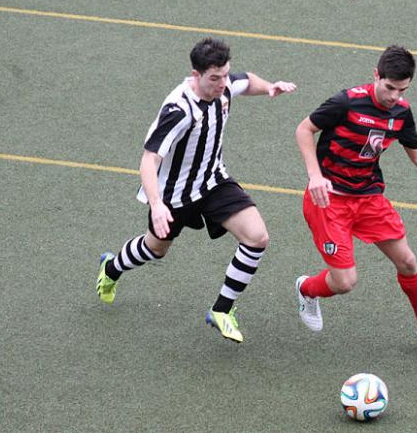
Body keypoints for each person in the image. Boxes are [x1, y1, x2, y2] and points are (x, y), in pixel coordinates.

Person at [96, 38, 296, 343]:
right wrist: (157, 204)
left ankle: (221, 310)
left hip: (213, 181)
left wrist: (269, 87)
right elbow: (149, 160)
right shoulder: (179, 111)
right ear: (195, 74)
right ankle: (112, 268)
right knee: (155, 249)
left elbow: (247, 80)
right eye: (214, 78)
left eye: (224, 75)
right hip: (173, 195)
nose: (222, 84)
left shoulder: (225, 85)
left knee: (257, 238)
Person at [294, 45, 417, 361]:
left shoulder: (401, 112)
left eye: (402, 89)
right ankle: (306, 290)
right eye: (390, 87)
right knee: (345, 282)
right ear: (376, 75)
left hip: (368, 198)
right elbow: (304, 129)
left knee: (408, 262)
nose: (394, 96)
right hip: (329, 201)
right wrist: (315, 176)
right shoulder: (346, 102)